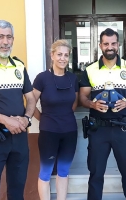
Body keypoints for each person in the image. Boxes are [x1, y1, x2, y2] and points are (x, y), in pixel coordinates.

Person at [79, 28, 126, 200]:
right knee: (96, 174)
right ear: (100, 46)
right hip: (98, 129)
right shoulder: (90, 70)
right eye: (106, 44)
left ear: (118, 45)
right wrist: (92, 103)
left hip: (124, 127)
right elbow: (82, 96)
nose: (110, 47)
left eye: (113, 43)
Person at [0, 20, 36, 200]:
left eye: (8, 37)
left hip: (19, 135)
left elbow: (31, 98)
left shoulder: (19, 65)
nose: (5, 42)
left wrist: (26, 118)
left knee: (18, 188)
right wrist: (6, 120)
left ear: (13, 39)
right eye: (0, 36)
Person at [33, 39, 78, 200]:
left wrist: (63, 116)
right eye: (59, 54)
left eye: (66, 55)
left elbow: (74, 102)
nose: (62, 58)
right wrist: (45, 118)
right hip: (48, 132)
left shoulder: (73, 79)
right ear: (52, 55)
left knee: (64, 171)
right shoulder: (42, 78)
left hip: (70, 131)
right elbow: (31, 103)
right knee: (45, 172)